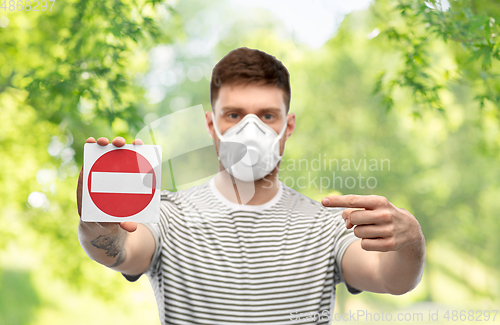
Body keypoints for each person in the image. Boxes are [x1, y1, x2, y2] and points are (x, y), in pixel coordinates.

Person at [77, 47, 426, 325]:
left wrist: (410, 241)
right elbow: (119, 252)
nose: (250, 129)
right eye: (234, 115)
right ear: (210, 125)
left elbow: (392, 280)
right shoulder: (168, 215)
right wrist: (98, 222)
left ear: (288, 126)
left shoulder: (326, 224)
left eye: (267, 116)